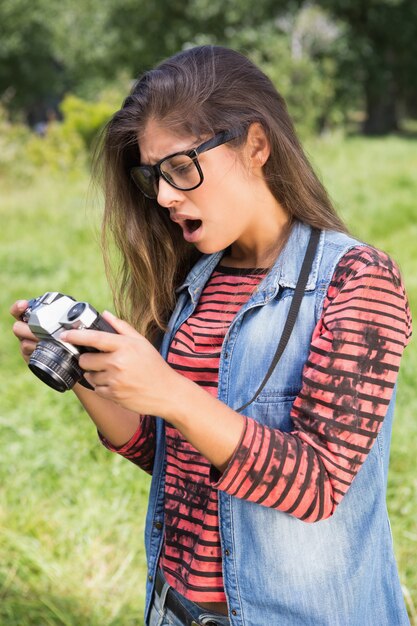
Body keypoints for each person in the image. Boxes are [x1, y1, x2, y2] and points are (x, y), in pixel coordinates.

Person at [11, 46, 412, 626]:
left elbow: (319, 485)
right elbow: (176, 454)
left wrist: (169, 389)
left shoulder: (357, 280)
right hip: (175, 609)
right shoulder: (197, 276)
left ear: (256, 145)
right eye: (155, 178)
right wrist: (83, 369)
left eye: (180, 167)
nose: (167, 197)